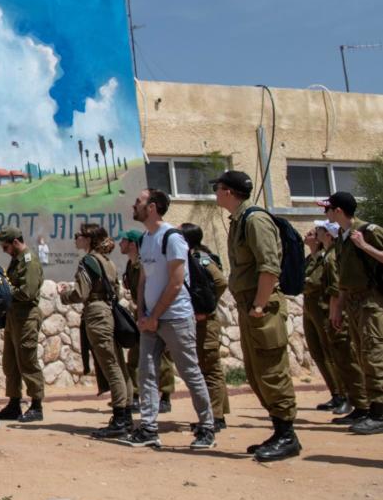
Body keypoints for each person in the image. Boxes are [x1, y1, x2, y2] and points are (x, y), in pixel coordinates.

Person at [211, 170, 300, 459]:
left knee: (271, 370)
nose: (216, 193)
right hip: (250, 305)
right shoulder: (239, 220)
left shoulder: (255, 220)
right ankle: (280, 431)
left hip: (262, 306)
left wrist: (260, 305)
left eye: (218, 188)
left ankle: (287, 435)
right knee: (256, 371)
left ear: (229, 192)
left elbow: (269, 267)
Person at [120, 188, 217, 450]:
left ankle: (207, 426)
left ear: (152, 207)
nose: (134, 205)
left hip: (175, 317)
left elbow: (176, 283)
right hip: (151, 319)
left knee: (189, 371)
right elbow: (143, 279)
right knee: (147, 374)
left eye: (138, 201)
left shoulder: (172, 237)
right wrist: (142, 313)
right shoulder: (145, 239)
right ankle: (149, 427)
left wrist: (155, 315)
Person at [58, 223, 131, 439]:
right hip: (108, 312)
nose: (75, 239)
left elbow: (81, 293)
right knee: (118, 363)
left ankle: (119, 418)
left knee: (110, 365)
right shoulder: (107, 262)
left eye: (78, 235)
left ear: (89, 239)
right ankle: (126, 414)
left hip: (97, 313)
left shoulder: (88, 261)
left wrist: (64, 294)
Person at [322, 191, 383, 434]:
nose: (326, 213)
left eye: (329, 208)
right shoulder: (342, 239)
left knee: (373, 355)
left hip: (372, 302)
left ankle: (380, 412)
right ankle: (369, 408)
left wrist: (364, 246)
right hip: (354, 303)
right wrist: (338, 309)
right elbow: (345, 280)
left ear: (338, 210)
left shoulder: (367, 232)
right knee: (362, 355)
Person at [180, 223, 230, 431]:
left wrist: (207, 307)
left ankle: (216, 417)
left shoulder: (201, 258)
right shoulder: (189, 258)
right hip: (197, 321)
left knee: (211, 368)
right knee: (204, 366)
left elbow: (220, 282)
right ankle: (215, 413)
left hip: (206, 322)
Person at [119, 230, 176, 412]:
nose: (121, 244)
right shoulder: (131, 265)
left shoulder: (146, 264)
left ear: (133, 244)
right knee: (135, 354)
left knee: (163, 356)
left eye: (124, 240)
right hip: (140, 311)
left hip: (156, 311)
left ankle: (165, 395)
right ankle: (135, 394)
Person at [312, 220, 361, 418]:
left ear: (329, 235)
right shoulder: (324, 256)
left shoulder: (331, 257)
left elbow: (335, 288)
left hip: (329, 311)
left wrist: (335, 311)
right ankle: (353, 400)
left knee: (346, 357)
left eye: (319, 230)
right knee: (336, 356)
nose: (316, 233)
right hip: (322, 311)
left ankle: (361, 403)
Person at [0, 226, 45, 422]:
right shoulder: (16, 261)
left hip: (26, 317)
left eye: (6, 246)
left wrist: (6, 291)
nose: (4, 250)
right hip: (13, 317)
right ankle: (14, 403)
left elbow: (28, 292)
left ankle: (36, 405)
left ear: (16, 242)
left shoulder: (29, 261)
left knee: (27, 360)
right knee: (11, 363)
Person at [302, 222, 349, 416]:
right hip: (310, 310)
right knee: (317, 353)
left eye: (314, 232)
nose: (309, 234)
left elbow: (315, 282)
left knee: (332, 352)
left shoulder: (325, 258)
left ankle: (345, 393)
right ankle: (335, 392)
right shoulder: (309, 259)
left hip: (323, 309)